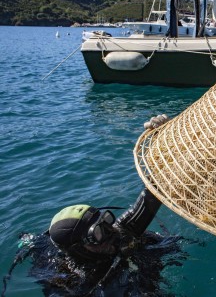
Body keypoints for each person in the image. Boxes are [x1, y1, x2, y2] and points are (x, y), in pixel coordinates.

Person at [3, 115, 187, 296]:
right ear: (78, 248)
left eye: (106, 220)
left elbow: (155, 188)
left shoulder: (116, 233)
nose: (110, 231)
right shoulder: (68, 282)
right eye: (97, 233)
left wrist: (166, 138)